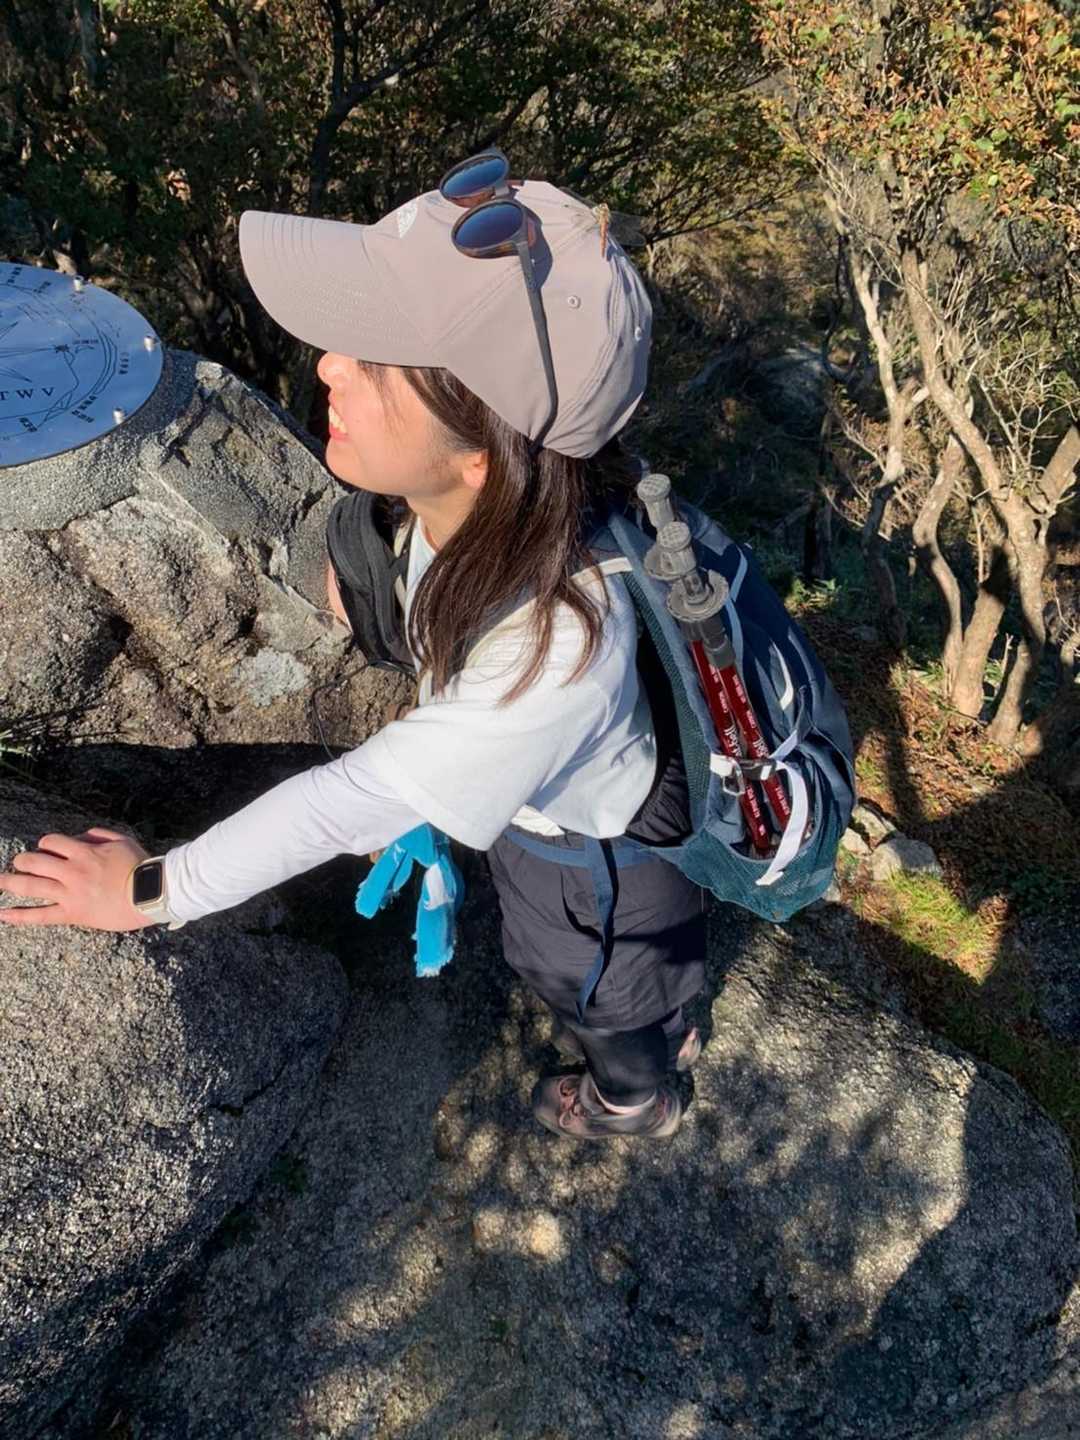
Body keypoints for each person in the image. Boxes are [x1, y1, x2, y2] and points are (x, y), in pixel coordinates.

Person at [0, 151, 707, 1141]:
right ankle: (655, 1031)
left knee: (591, 984)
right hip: (550, 800)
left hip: (595, 866)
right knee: (599, 972)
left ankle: (638, 1095)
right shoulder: (482, 511)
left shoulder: (554, 655)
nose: (329, 365)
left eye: (374, 363)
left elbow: (336, 805)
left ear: (481, 450)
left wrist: (145, 892)